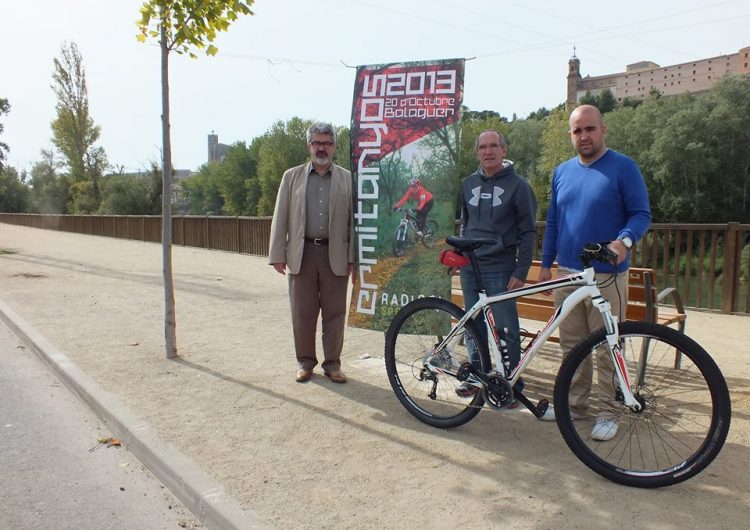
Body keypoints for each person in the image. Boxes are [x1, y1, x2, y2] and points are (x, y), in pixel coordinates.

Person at [538, 104, 651, 439]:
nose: (584, 136)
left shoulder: (623, 168)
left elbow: (641, 214)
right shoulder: (561, 172)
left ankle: (609, 411)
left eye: (589, 129)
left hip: (607, 274)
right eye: (577, 131)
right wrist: (546, 266)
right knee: (571, 346)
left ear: (603, 130)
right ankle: (574, 405)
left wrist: (624, 241)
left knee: (607, 346)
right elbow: (554, 223)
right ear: (571, 135)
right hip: (567, 272)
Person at [268, 122, 355, 384]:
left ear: (334, 147)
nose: (321, 148)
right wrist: (277, 253)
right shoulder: (291, 177)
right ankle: (305, 363)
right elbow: (280, 215)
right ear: (309, 146)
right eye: (317, 143)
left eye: (327, 143)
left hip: (335, 254)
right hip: (301, 253)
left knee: (335, 314)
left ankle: (333, 364)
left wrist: (353, 257)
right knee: (302, 313)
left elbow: (354, 222)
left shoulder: (348, 178)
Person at [456, 130, 537, 401]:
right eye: (482, 147)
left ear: (504, 150)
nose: (488, 151)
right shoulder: (467, 184)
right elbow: (465, 224)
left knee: (507, 331)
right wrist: (459, 255)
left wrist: (521, 271)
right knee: (472, 325)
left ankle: (510, 384)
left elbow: (528, 232)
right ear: (477, 152)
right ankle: (478, 378)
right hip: (471, 266)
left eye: (493, 146)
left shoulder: (519, 186)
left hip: (501, 268)